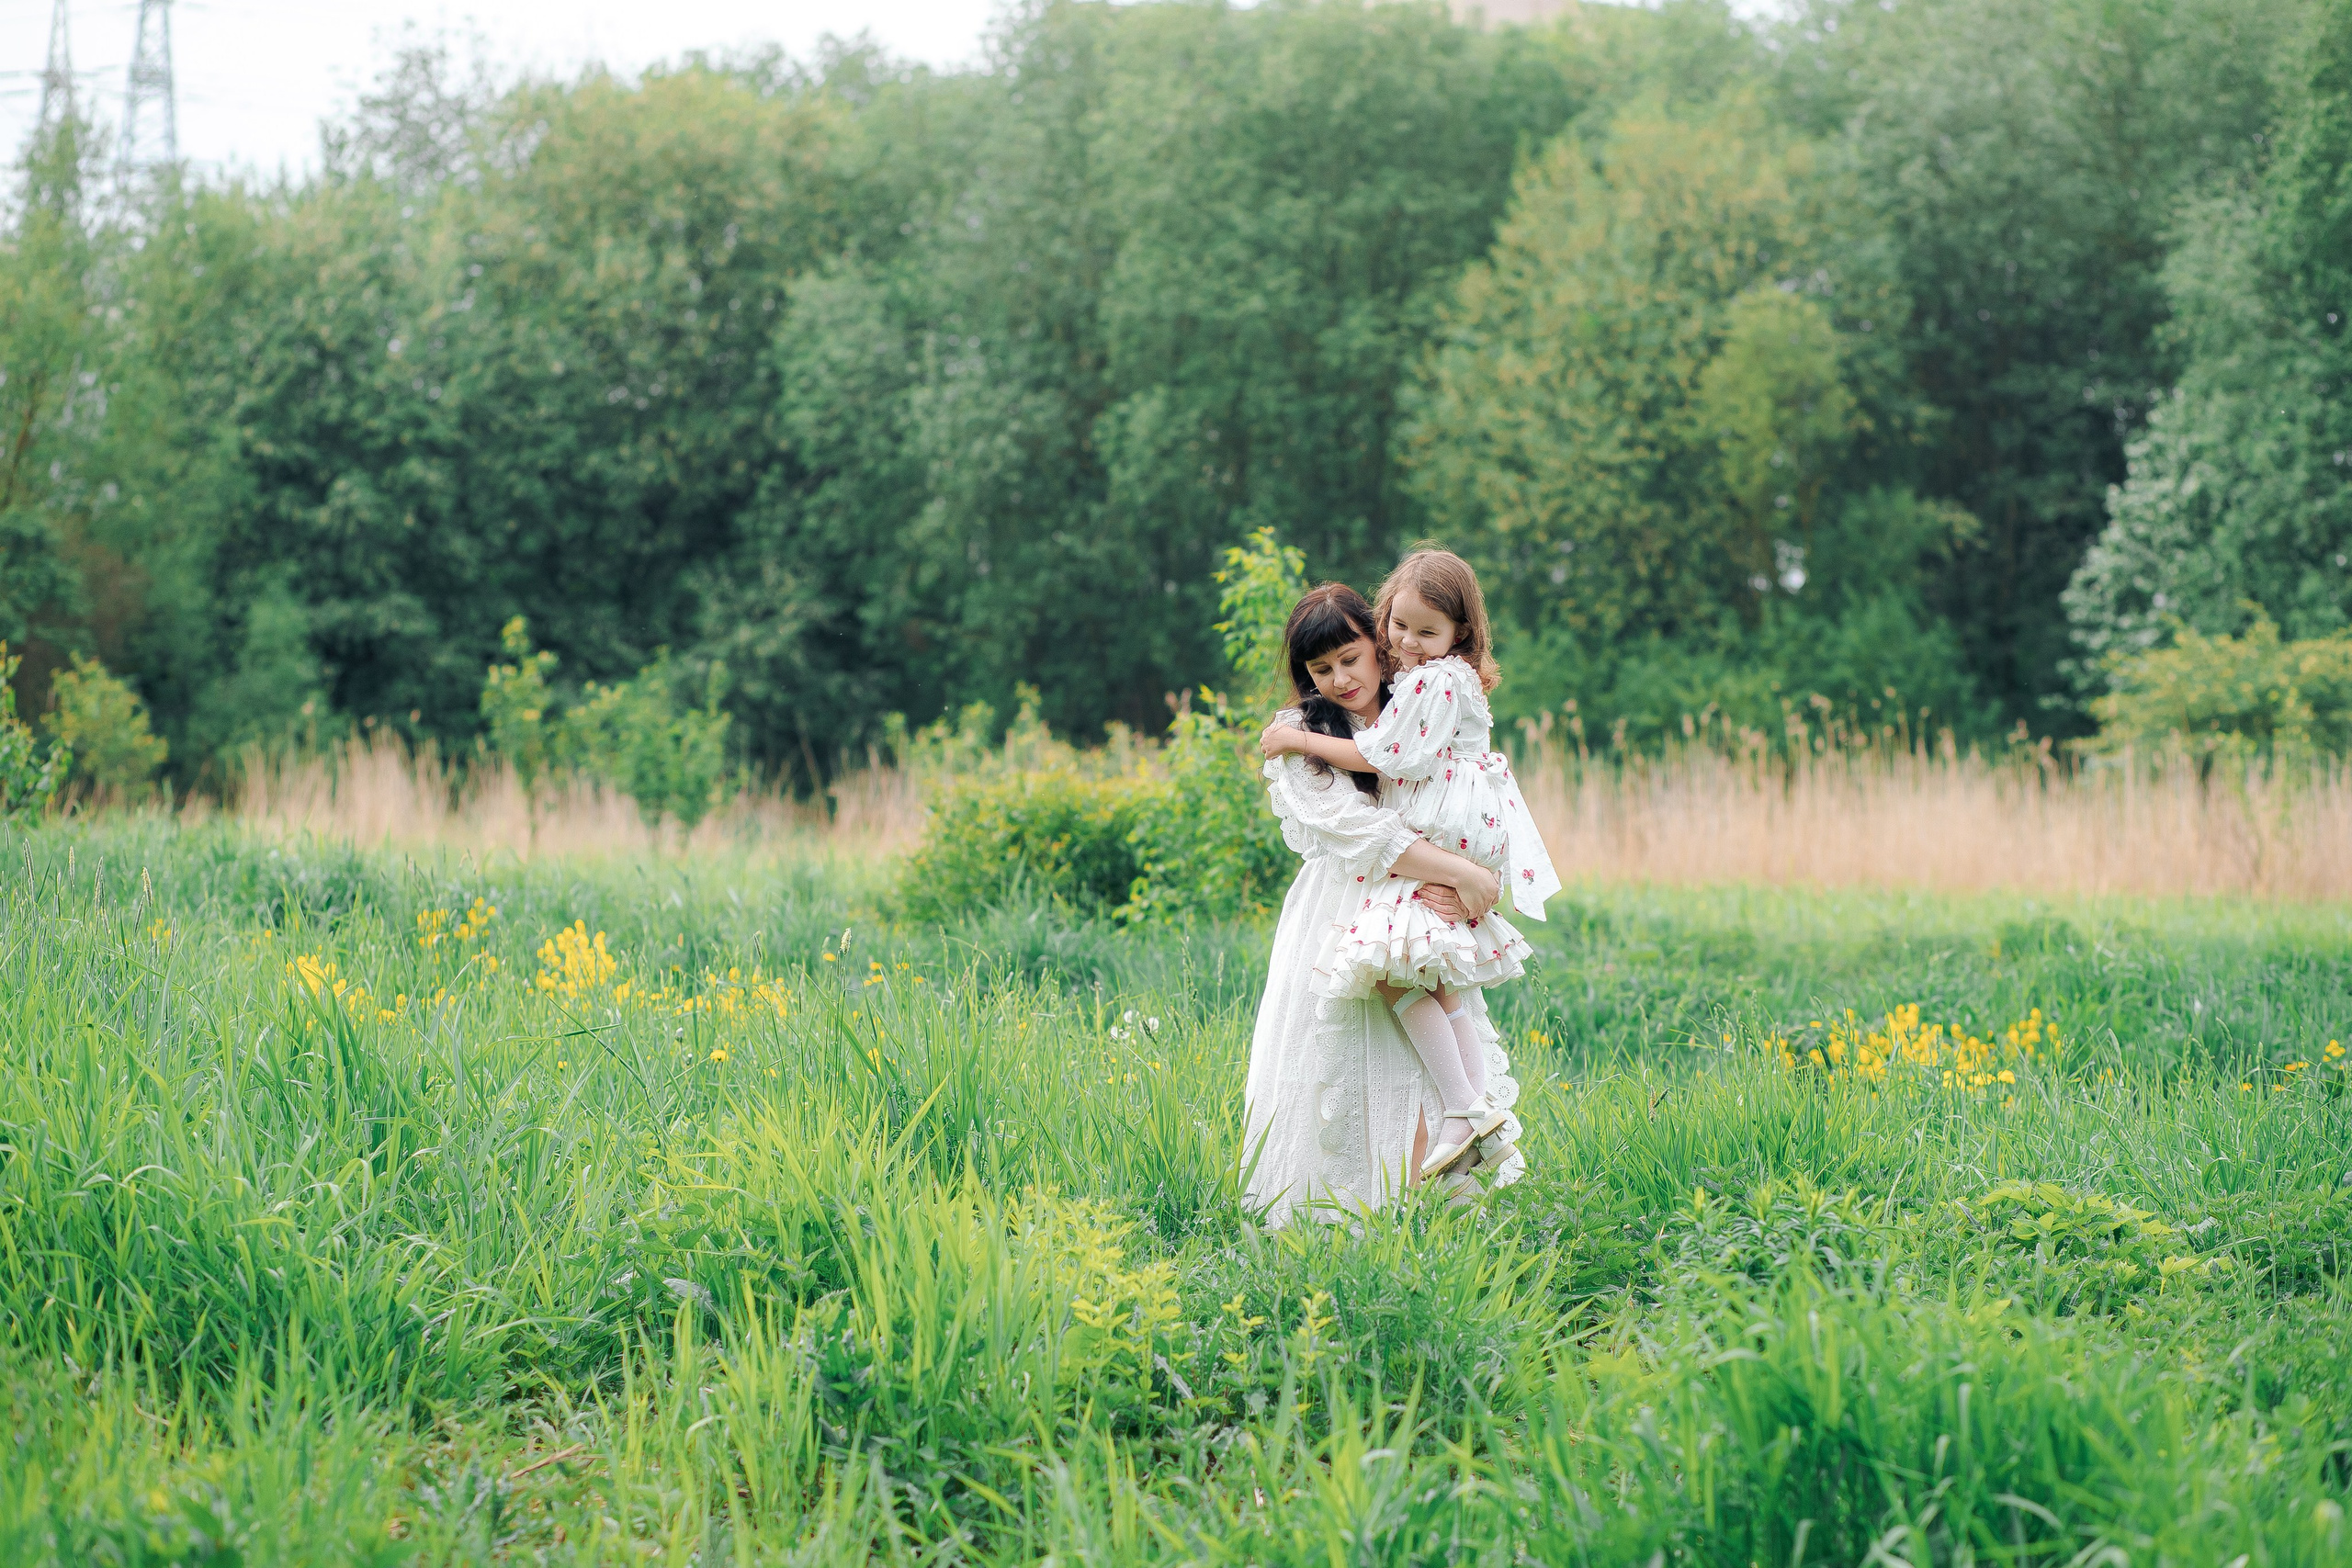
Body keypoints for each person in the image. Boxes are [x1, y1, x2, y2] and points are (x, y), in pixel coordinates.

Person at [1260, 548, 1561, 1181]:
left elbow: (1464, 805)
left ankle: (1467, 1133)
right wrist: (1461, 873)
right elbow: (1370, 835)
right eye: (1322, 669)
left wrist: (1474, 876)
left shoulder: (1421, 698)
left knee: (1428, 1047)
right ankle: (1359, 1210)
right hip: (1341, 912)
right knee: (1344, 1076)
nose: (1342, 678)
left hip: (1417, 905)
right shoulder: (1302, 737)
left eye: (1351, 658)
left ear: (1376, 643)